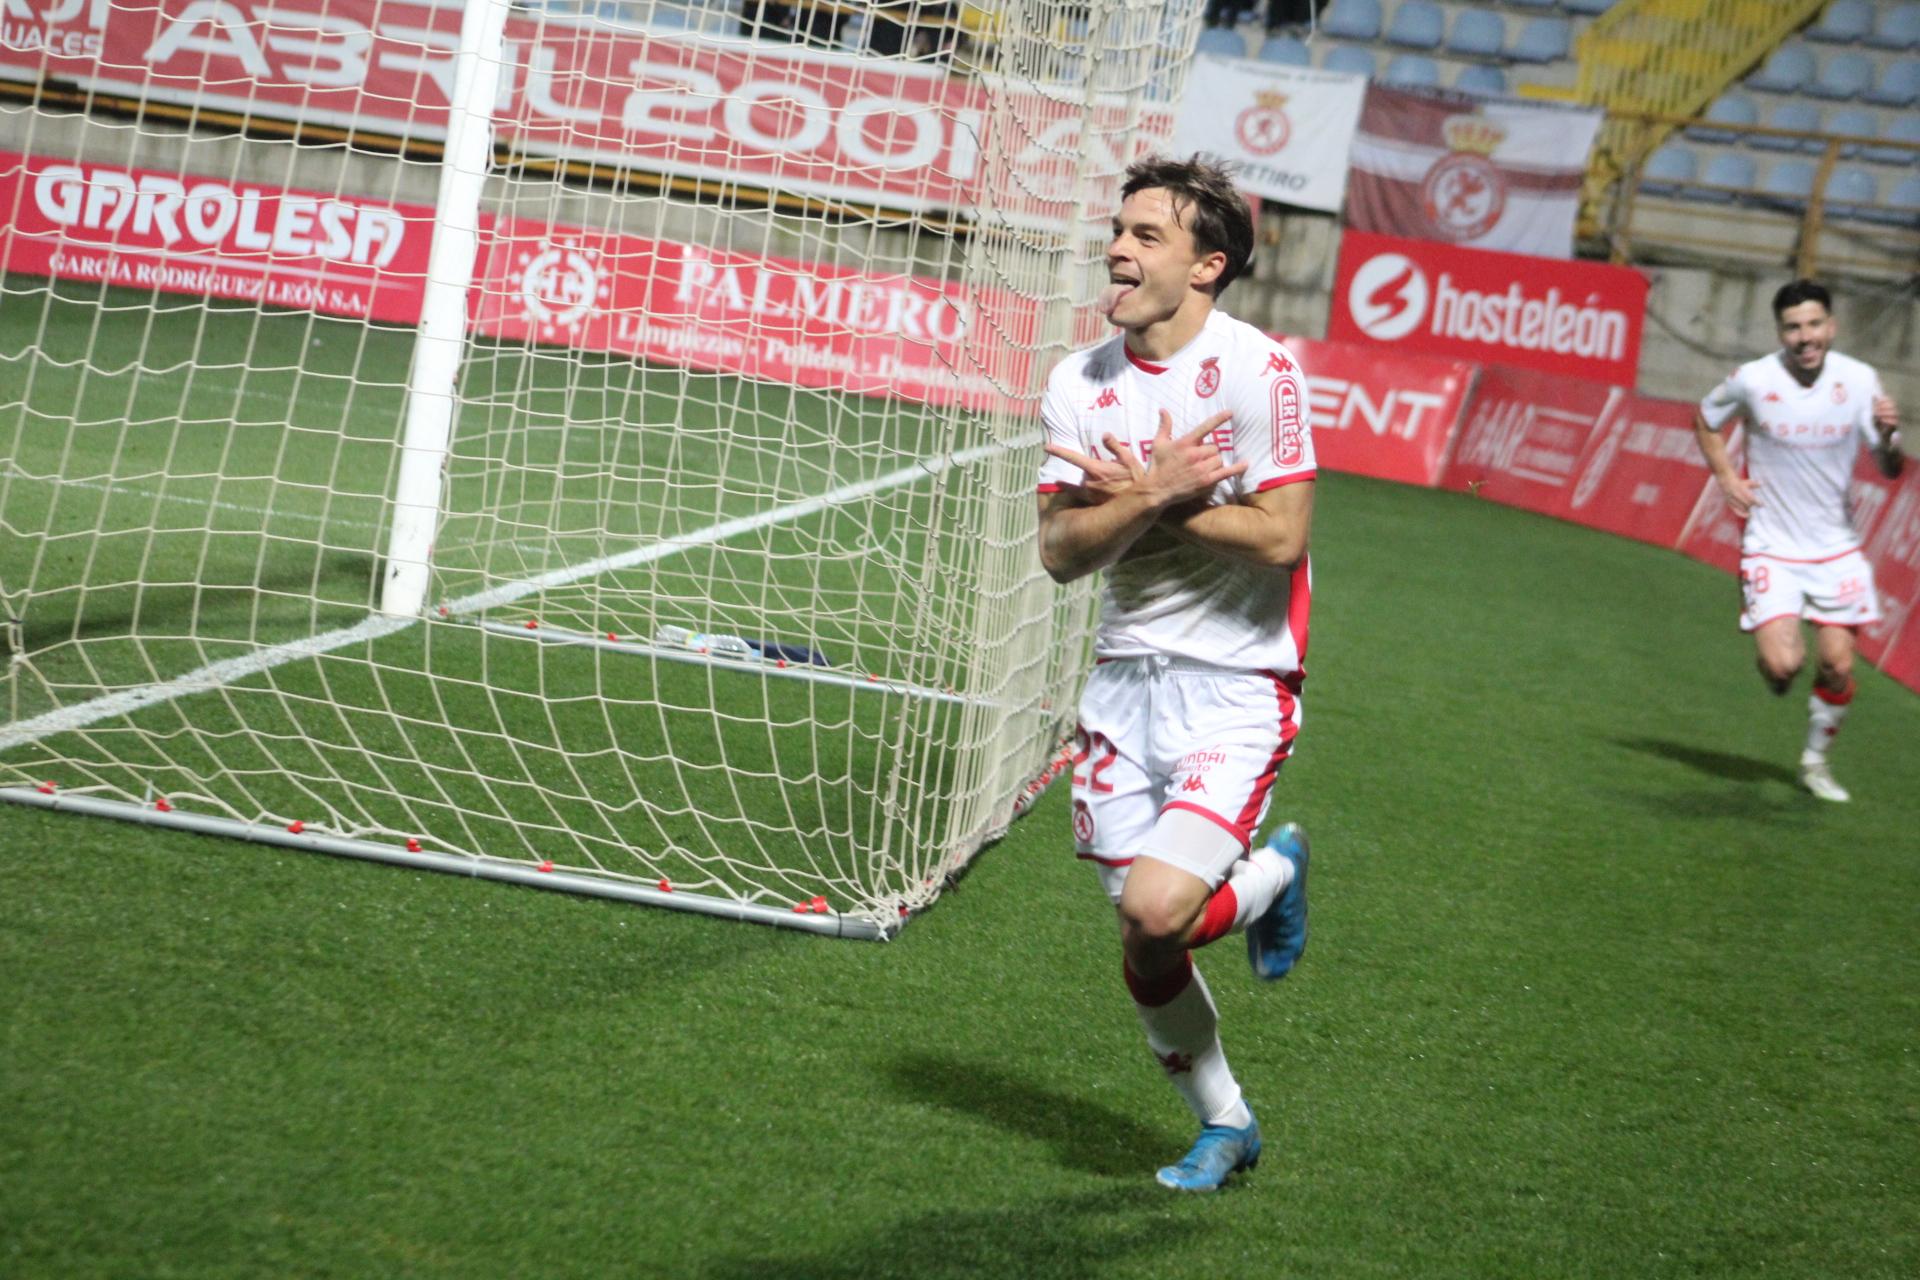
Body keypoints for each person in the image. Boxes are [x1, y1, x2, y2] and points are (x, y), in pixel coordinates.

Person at [1034, 154, 1314, 1193]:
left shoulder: (1257, 371)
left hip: (1236, 685)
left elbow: (1281, 538)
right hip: (1122, 685)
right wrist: (1152, 490)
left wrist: (1157, 499)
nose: (1117, 247)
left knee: (1159, 911)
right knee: (1148, 941)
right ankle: (1227, 1122)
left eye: (1146, 235)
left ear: (1207, 266)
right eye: (1119, 229)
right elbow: (1061, 552)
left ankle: (1273, 873)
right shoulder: (1078, 380)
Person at [1692, 278, 1904, 802]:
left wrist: (1887, 438)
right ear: (1779, 332)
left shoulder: (1859, 380)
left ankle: (1814, 762)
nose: (1805, 337)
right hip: (1772, 547)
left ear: (1831, 326)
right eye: (1793, 327)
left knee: (1837, 664)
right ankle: (1777, 661)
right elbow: (1705, 418)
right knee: (1783, 666)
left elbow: (1890, 468)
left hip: (1837, 549)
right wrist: (1725, 476)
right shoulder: (1753, 379)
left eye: (1814, 324)